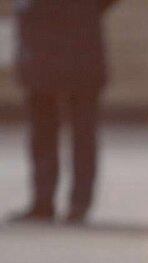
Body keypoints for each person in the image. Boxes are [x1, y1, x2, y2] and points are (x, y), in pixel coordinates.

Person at [10, 0, 120, 224]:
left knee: (79, 133)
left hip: (73, 43)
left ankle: (73, 203)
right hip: (47, 44)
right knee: (45, 132)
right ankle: (49, 201)